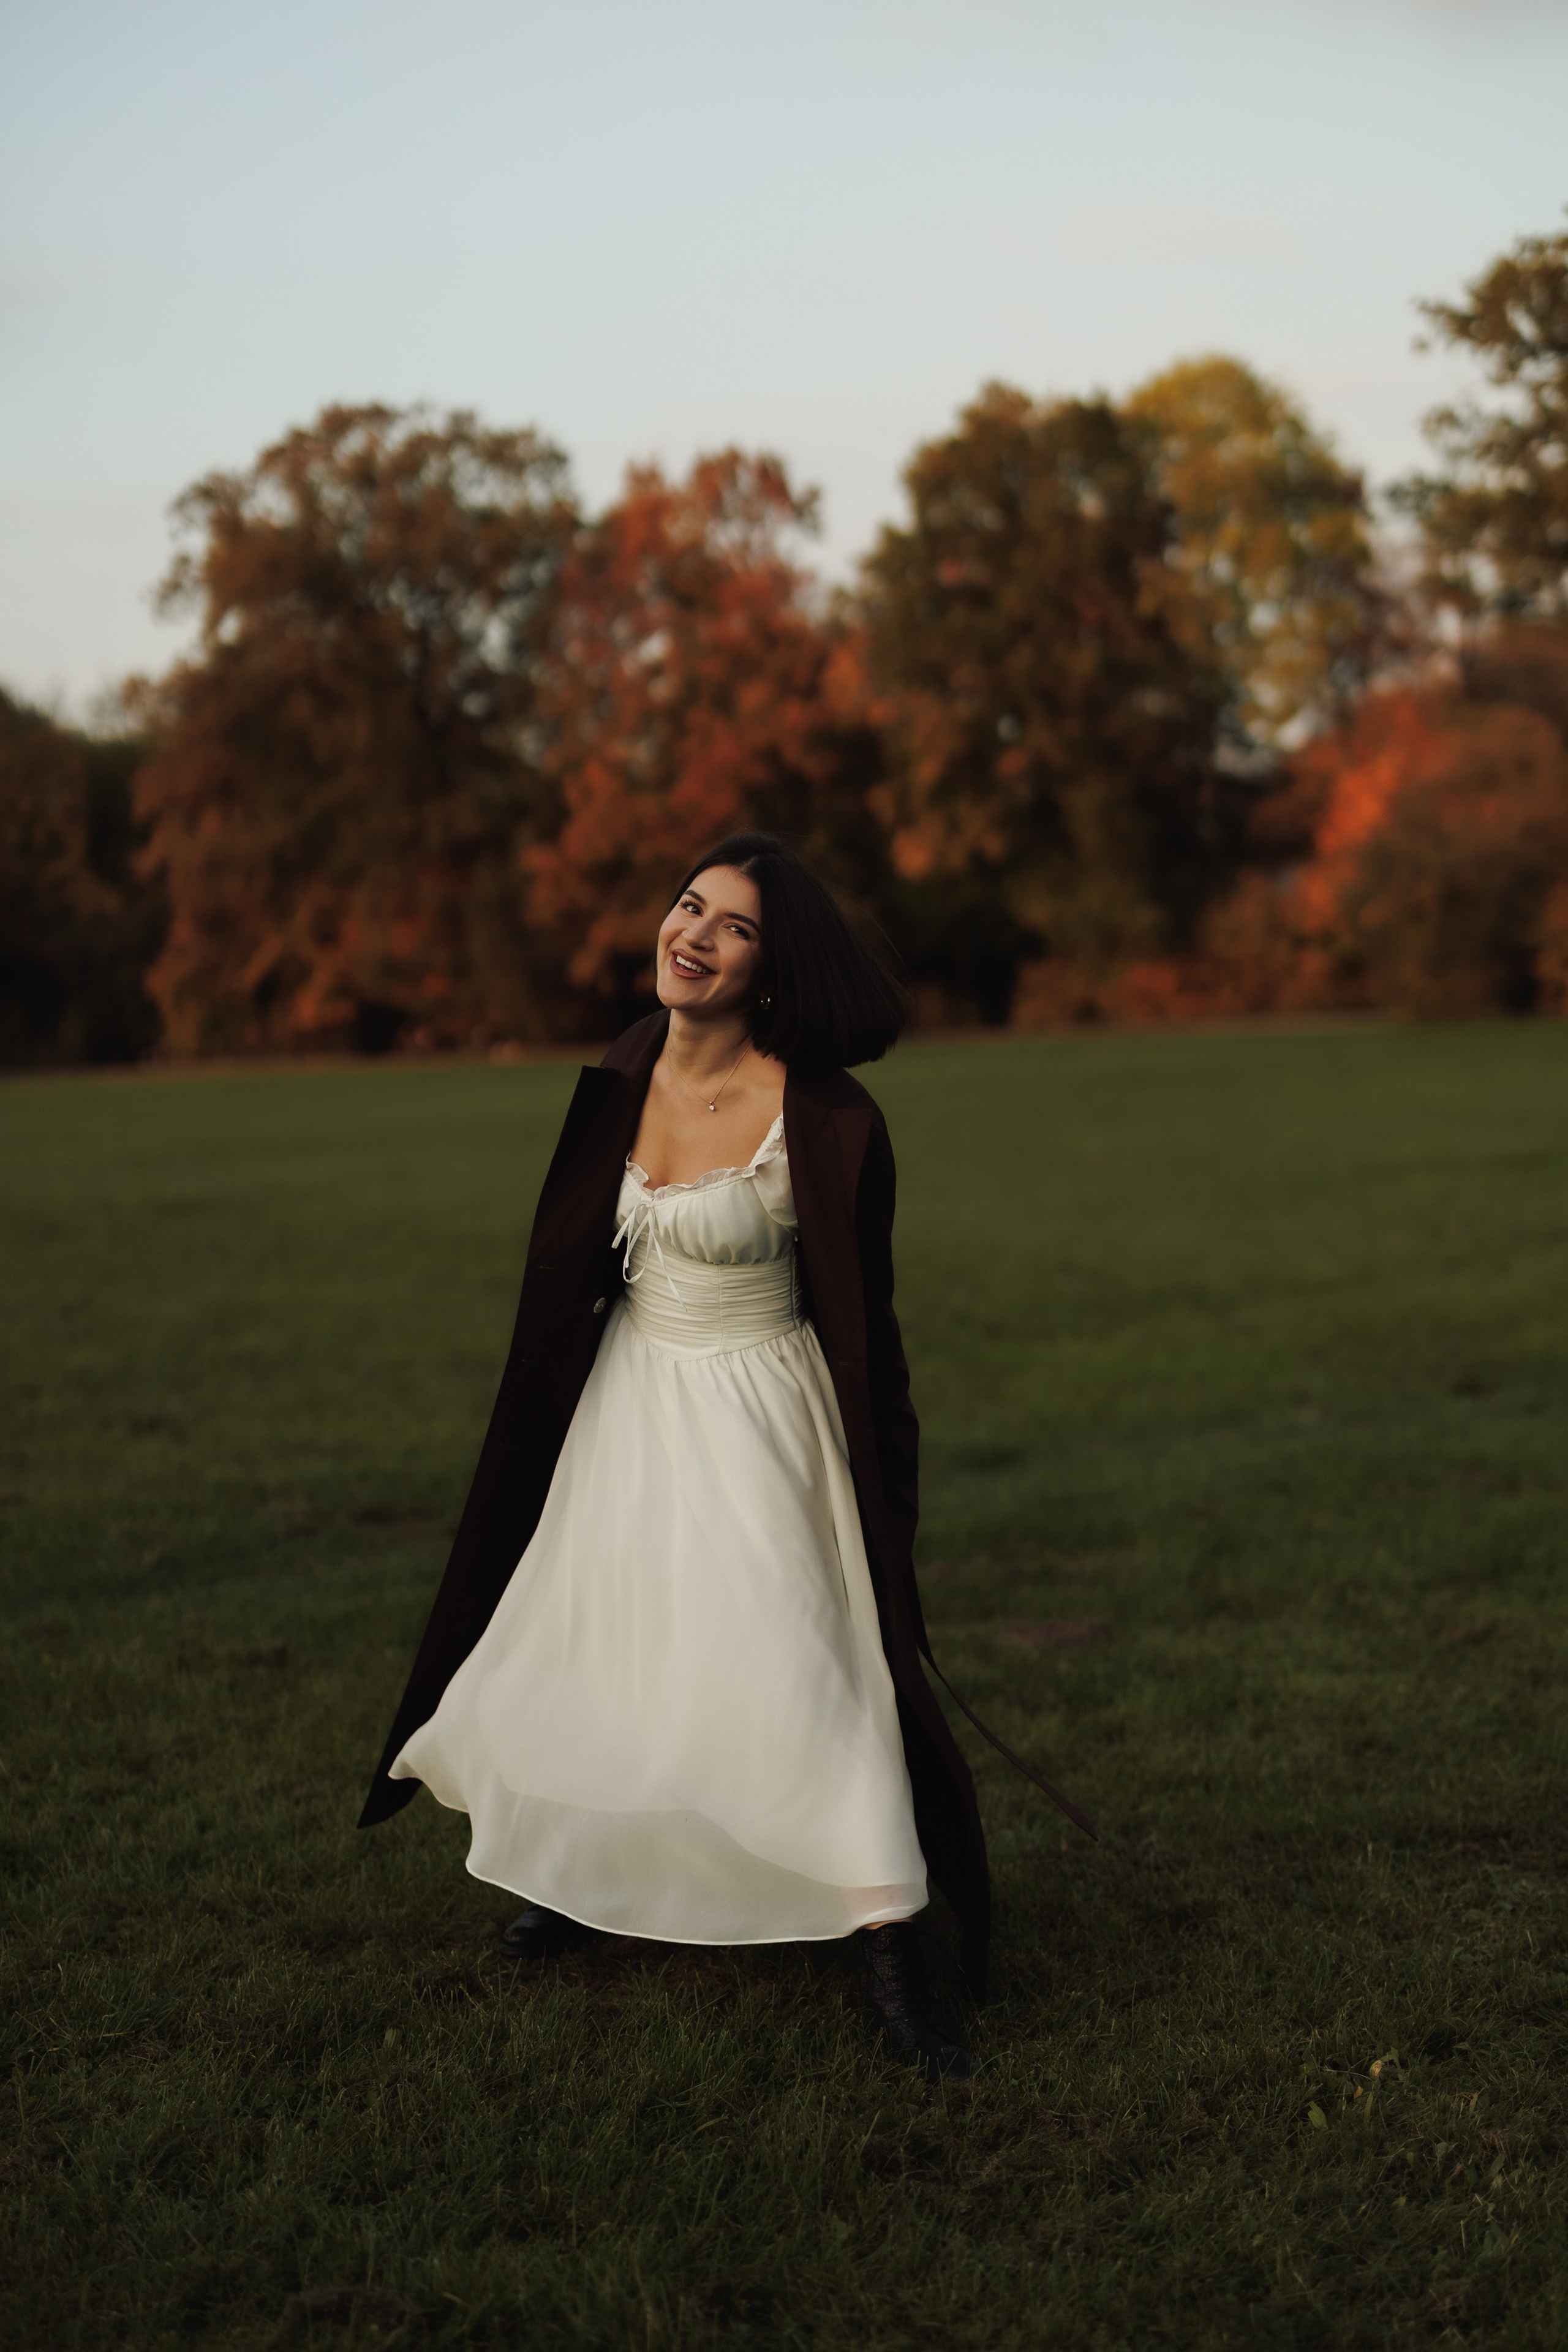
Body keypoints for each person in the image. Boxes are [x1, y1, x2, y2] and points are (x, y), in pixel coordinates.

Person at [360, 834, 1091, 2081]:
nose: (691, 934)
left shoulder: (828, 1116)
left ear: (771, 964)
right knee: (601, 1648)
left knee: (802, 1670)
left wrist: (887, 1501)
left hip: (762, 1412)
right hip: (627, 1401)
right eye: (687, 907)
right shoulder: (622, 1069)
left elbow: (874, 1327)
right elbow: (575, 1257)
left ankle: (891, 1951)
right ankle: (581, 1881)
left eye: (732, 926)